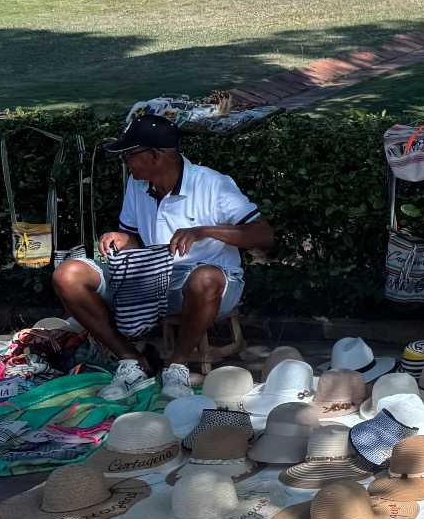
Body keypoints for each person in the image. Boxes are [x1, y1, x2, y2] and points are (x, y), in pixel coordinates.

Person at [51, 112, 274, 402]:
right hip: (151, 275)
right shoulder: (137, 184)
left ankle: (177, 367)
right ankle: (130, 361)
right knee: (67, 275)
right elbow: (136, 238)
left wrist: (205, 231)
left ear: (156, 155)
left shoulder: (212, 183)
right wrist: (121, 239)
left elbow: (263, 235)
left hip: (211, 283)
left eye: (129, 155)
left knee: (204, 278)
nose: (125, 162)